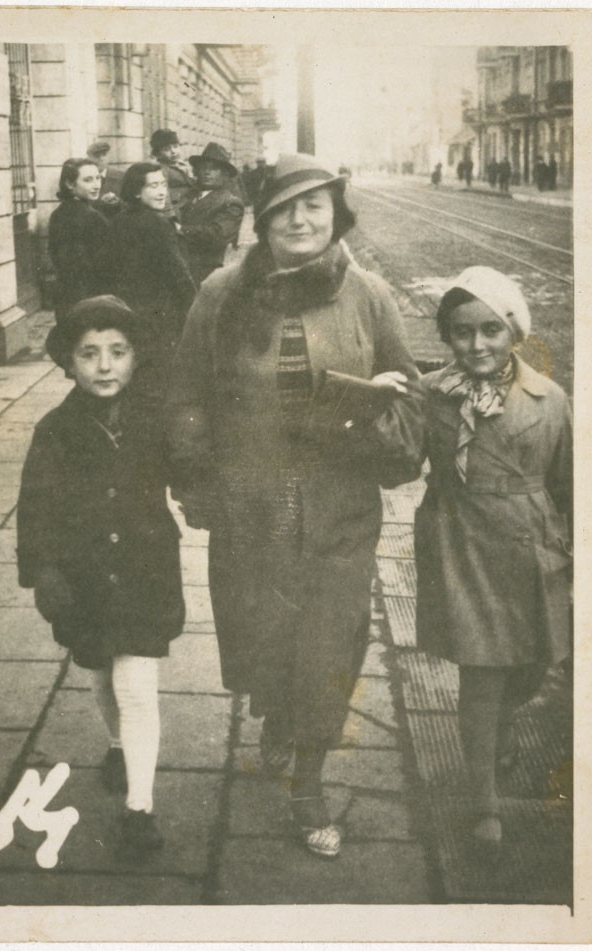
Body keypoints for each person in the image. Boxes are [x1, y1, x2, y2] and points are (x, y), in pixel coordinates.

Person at [166, 153, 424, 859]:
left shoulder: (367, 294)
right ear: (263, 220)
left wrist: (379, 411)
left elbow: (412, 397)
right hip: (249, 510)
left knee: (328, 647)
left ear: (336, 214)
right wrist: (193, 480)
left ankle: (308, 781)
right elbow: (186, 392)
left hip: (337, 510)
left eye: (315, 205)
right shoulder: (221, 291)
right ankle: (277, 717)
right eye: (285, 208)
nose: (301, 219)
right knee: (263, 645)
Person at [17, 295, 185, 854]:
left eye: (118, 351)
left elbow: (189, 469)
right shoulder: (55, 430)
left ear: (137, 358)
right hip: (81, 576)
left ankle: (140, 807)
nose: (105, 366)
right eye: (89, 354)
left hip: (144, 571)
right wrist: (42, 569)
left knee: (135, 683)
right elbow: (35, 506)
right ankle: (116, 744)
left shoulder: (156, 418)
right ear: (69, 362)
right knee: (98, 669)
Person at [414, 267, 572, 862]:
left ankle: (499, 745)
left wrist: (573, 554)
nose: (476, 346)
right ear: (447, 339)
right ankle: (482, 799)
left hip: (531, 548)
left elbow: (567, 484)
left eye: (489, 331)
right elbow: (403, 458)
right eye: (461, 334)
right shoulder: (433, 395)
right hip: (462, 542)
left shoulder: (550, 400)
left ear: (514, 334)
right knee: (481, 670)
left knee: (527, 671)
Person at [110, 162, 195, 399]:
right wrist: (196, 309)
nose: (161, 192)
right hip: (161, 314)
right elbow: (178, 273)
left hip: (129, 311)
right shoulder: (159, 224)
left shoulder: (119, 220)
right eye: (153, 186)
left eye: (163, 185)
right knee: (161, 380)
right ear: (137, 191)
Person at [47, 158, 112, 322]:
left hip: (67, 295)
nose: (96, 185)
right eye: (88, 180)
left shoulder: (59, 213)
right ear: (69, 183)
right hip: (89, 298)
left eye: (98, 178)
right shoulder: (89, 216)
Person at [180, 142, 245, 286]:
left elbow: (217, 235)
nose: (207, 172)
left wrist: (181, 230)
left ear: (224, 173)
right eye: (203, 168)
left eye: (214, 168)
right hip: (180, 267)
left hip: (204, 273)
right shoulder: (191, 194)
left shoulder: (230, 202)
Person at [149, 129, 195, 222]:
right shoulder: (162, 169)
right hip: (176, 210)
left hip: (189, 205)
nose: (173, 151)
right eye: (166, 149)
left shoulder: (183, 165)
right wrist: (171, 218)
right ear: (158, 154)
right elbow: (163, 194)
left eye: (175, 146)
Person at [87, 140, 124, 218]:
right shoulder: (85, 177)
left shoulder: (120, 175)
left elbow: (129, 201)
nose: (101, 159)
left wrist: (117, 201)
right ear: (89, 158)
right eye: (96, 155)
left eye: (104, 155)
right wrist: (100, 201)